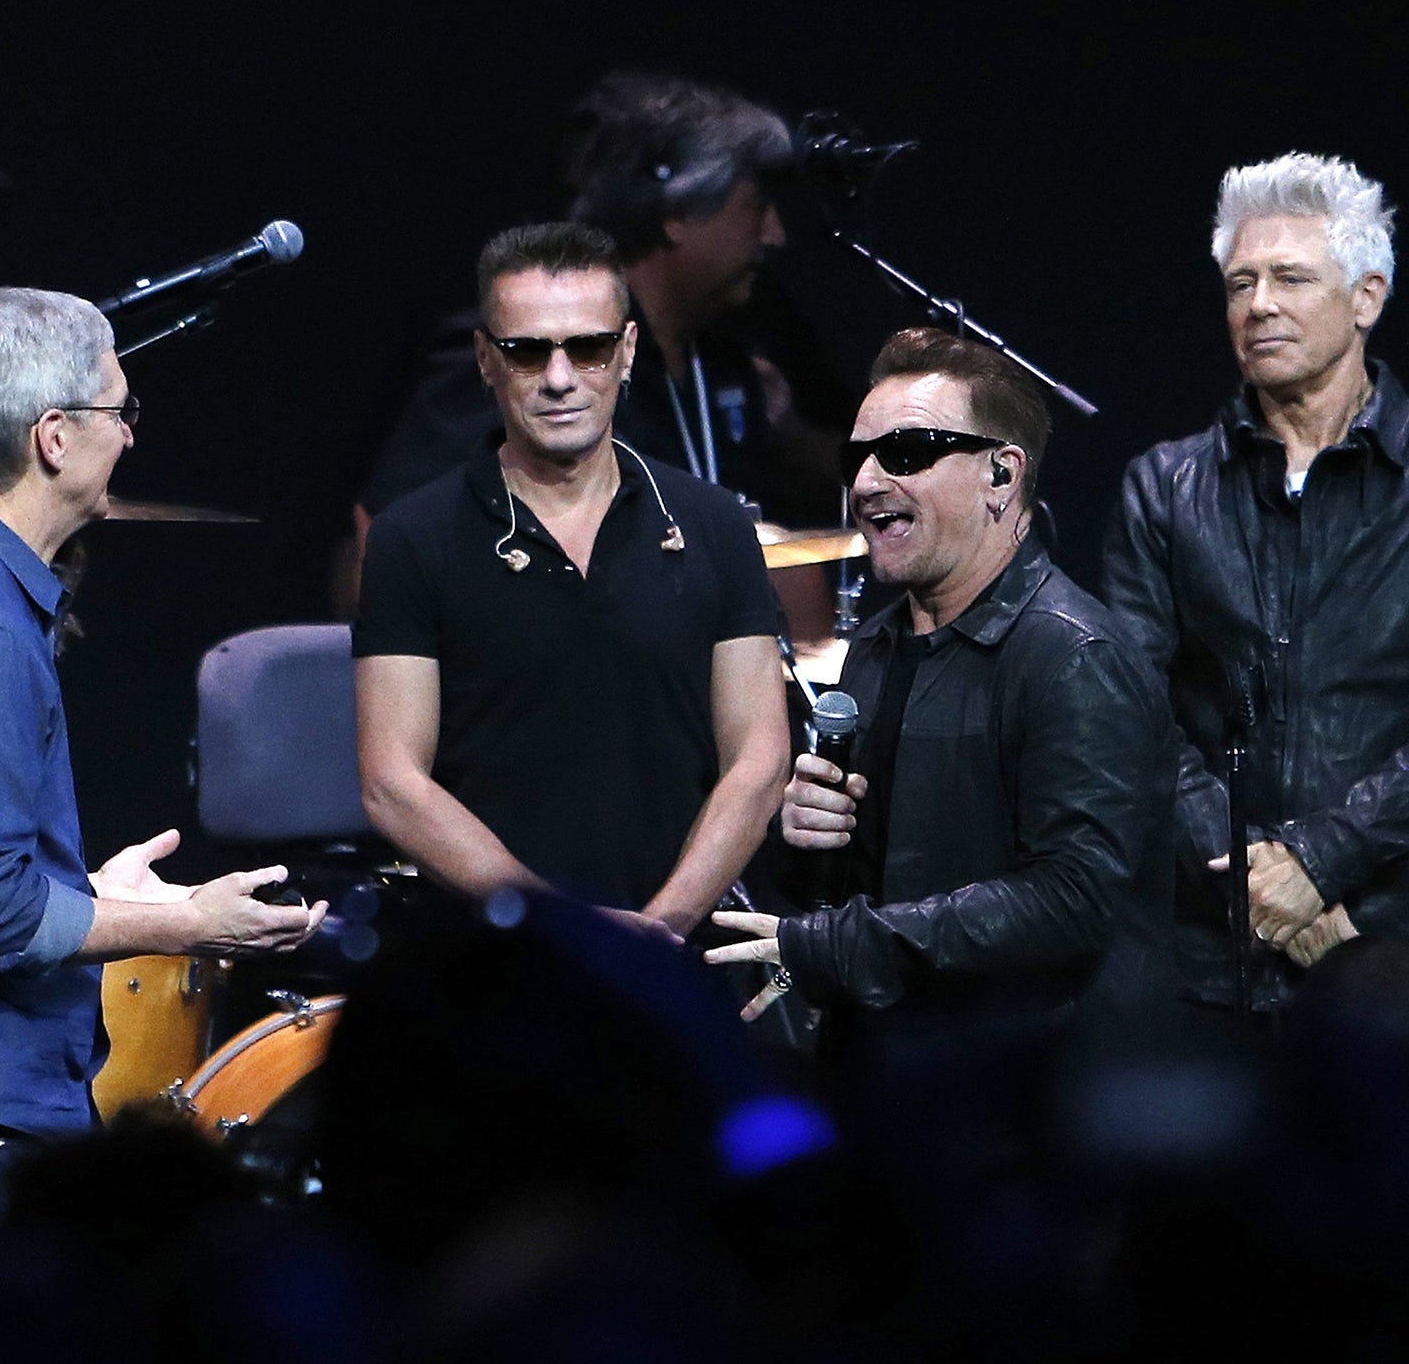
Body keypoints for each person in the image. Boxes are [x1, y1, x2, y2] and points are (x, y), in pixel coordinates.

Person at [0, 286, 325, 1242]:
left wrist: (82, 889)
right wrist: (185, 923)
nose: (129, 435)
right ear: (53, 436)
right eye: (119, 411)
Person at [710, 328, 1175, 1035]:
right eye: (857, 455)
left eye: (905, 452)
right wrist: (806, 841)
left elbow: (1070, 898)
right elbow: (854, 891)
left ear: (1002, 474)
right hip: (900, 1084)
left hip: (1036, 1099)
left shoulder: (1075, 657)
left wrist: (844, 948)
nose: (866, 482)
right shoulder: (876, 647)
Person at [352, 222, 792, 940]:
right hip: (496, 959)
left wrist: (662, 929)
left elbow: (761, 758)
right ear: (485, 360)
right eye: (527, 352)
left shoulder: (712, 524)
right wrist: (564, 933)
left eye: (586, 348)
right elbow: (392, 784)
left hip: (679, 950)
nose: (558, 379)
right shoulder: (413, 539)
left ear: (625, 352)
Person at [340, 72, 853, 626]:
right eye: (756, 206)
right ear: (679, 212)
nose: (775, 234)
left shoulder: (729, 363)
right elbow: (381, 548)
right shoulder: (526, 351)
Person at [1103, 153, 1404, 1012]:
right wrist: (1252, 879)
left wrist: (1318, 864)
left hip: (1385, 931)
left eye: (1290, 278)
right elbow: (1133, 710)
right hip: (1209, 946)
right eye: (1241, 283)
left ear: (1366, 298)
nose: (1259, 304)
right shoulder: (1163, 487)